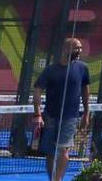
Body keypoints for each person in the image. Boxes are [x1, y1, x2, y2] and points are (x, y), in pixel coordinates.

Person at [36, 37, 90, 181]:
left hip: (70, 117)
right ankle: (52, 178)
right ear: (66, 49)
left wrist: (86, 113)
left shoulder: (82, 68)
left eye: (81, 48)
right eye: (77, 48)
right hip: (50, 116)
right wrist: (38, 114)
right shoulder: (50, 70)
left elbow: (85, 91)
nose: (80, 51)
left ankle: (58, 179)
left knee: (63, 149)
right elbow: (37, 90)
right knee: (50, 152)